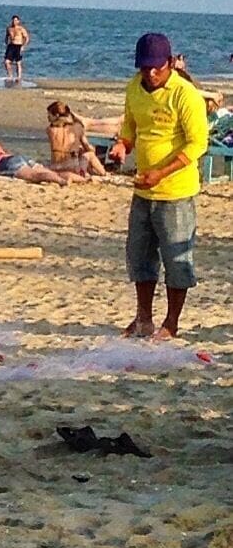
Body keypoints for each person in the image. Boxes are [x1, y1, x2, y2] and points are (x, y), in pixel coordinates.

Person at [108, 32, 208, 339]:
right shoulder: (134, 89)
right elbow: (130, 129)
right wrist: (122, 147)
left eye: (156, 67)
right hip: (142, 189)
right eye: (144, 67)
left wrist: (162, 173)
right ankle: (143, 318)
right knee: (140, 257)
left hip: (175, 192)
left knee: (177, 260)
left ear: (170, 63)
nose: (150, 73)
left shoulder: (185, 94)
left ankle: (172, 323)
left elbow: (197, 144)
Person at [0, 124, 73, 185]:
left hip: (4, 163)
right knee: (46, 171)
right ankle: (83, 179)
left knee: (34, 176)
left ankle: (61, 181)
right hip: (12, 158)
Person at [46, 101, 108, 177]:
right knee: (90, 154)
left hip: (55, 167)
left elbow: (59, 124)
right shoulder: (78, 127)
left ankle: (92, 172)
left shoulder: (50, 130)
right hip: (72, 167)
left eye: (49, 115)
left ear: (56, 115)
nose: (48, 117)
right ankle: (103, 173)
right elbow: (87, 147)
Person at [3, 15, 30, 86]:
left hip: (18, 46)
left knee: (18, 63)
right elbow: (6, 36)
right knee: (7, 62)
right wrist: (6, 43)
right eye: (13, 20)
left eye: (16, 20)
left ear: (18, 21)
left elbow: (27, 38)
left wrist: (23, 46)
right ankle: (10, 76)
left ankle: (19, 77)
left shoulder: (21, 29)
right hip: (11, 46)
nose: (14, 22)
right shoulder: (9, 28)